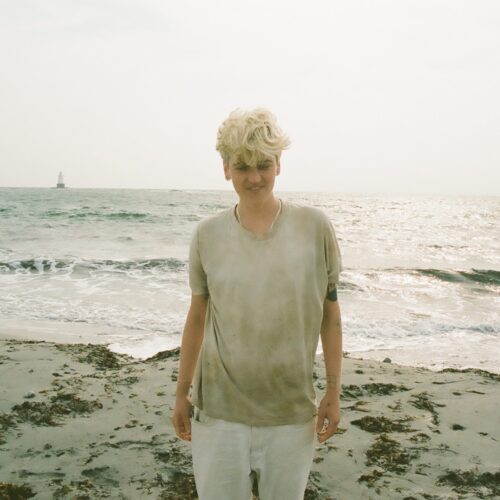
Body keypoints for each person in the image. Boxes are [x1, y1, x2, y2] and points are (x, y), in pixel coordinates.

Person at [172, 108, 343, 500]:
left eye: (263, 165)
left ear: (279, 164)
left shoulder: (315, 227)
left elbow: (330, 315)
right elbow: (197, 317)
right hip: (218, 414)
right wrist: (182, 392)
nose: (254, 177)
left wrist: (333, 390)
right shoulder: (207, 235)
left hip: (291, 413)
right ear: (225, 167)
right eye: (242, 166)